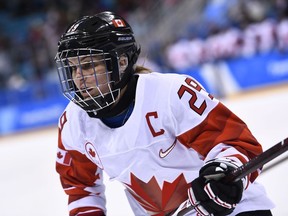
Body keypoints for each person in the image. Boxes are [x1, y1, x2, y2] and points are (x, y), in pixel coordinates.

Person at [54, 11, 274, 216]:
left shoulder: (171, 93)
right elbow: (80, 188)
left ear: (120, 62)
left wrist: (223, 170)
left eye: (88, 66)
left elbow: (239, 144)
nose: (78, 78)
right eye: (73, 68)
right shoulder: (74, 122)